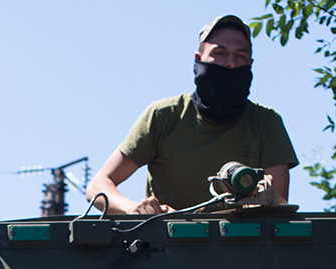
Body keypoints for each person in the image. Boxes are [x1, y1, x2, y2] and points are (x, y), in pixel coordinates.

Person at [87, 15, 298, 217]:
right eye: (220, 53)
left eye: (240, 56)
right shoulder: (164, 116)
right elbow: (98, 185)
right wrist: (134, 210)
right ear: (198, 59)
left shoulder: (266, 123)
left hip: (240, 248)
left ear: (250, 64)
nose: (230, 63)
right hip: (166, 248)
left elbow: (275, 210)